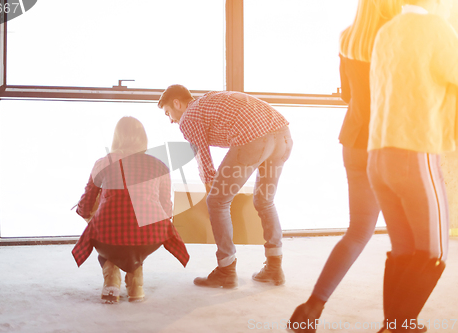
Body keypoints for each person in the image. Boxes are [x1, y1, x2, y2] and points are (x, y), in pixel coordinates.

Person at [288, 0, 403, 331]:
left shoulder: (348, 38)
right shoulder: (398, 35)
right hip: (389, 143)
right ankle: (397, 321)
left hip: (354, 140)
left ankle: (311, 308)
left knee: (358, 231)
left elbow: (348, 95)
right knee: (406, 241)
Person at [367, 0, 458, 331]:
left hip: (378, 156)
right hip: (415, 153)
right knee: (434, 253)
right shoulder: (436, 28)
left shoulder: (386, 31)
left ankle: (395, 324)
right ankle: (400, 325)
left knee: (405, 251)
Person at [158, 85, 292, 288]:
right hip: (283, 137)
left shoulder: (189, 116)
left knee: (217, 201)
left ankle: (226, 270)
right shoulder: (208, 102)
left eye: (168, 112)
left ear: (177, 103)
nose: (170, 119)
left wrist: (211, 198)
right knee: (264, 201)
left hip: (256, 139)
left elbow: (204, 161)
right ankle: (274, 267)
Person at [72, 116, 189, 303]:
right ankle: (136, 283)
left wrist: (88, 216)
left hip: (109, 235)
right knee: (135, 232)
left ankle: (111, 280)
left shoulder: (104, 162)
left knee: (105, 230)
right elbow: (166, 206)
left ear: (117, 138)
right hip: (149, 236)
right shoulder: (160, 165)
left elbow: (86, 202)